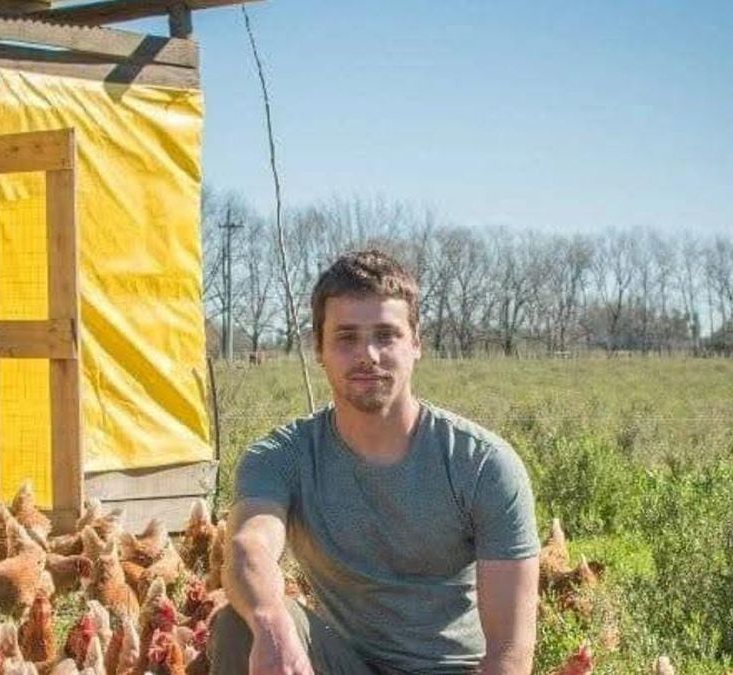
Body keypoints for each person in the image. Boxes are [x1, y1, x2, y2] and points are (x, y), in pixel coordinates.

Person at [210, 250, 540, 675]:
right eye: (347, 337)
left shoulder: (482, 465)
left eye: (386, 335)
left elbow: (510, 654)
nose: (368, 354)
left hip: (451, 670)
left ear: (416, 343)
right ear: (319, 349)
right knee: (243, 623)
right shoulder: (283, 457)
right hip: (344, 665)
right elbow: (248, 547)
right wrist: (272, 625)